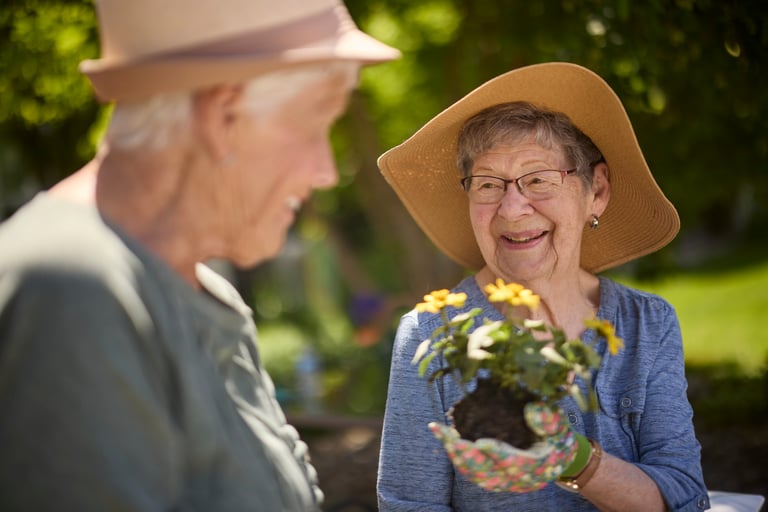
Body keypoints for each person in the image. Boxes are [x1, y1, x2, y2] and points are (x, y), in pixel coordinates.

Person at [0, 0, 399, 510]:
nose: (325, 171)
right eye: (318, 125)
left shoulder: (209, 293)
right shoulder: (72, 288)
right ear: (221, 116)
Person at [376, 62, 710, 511]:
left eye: (538, 179)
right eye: (488, 185)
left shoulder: (647, 323)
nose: (512, 210)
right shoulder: (431, 333)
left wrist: (571, 458)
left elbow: (686, 500)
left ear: (598, 191)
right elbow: (409, 505)